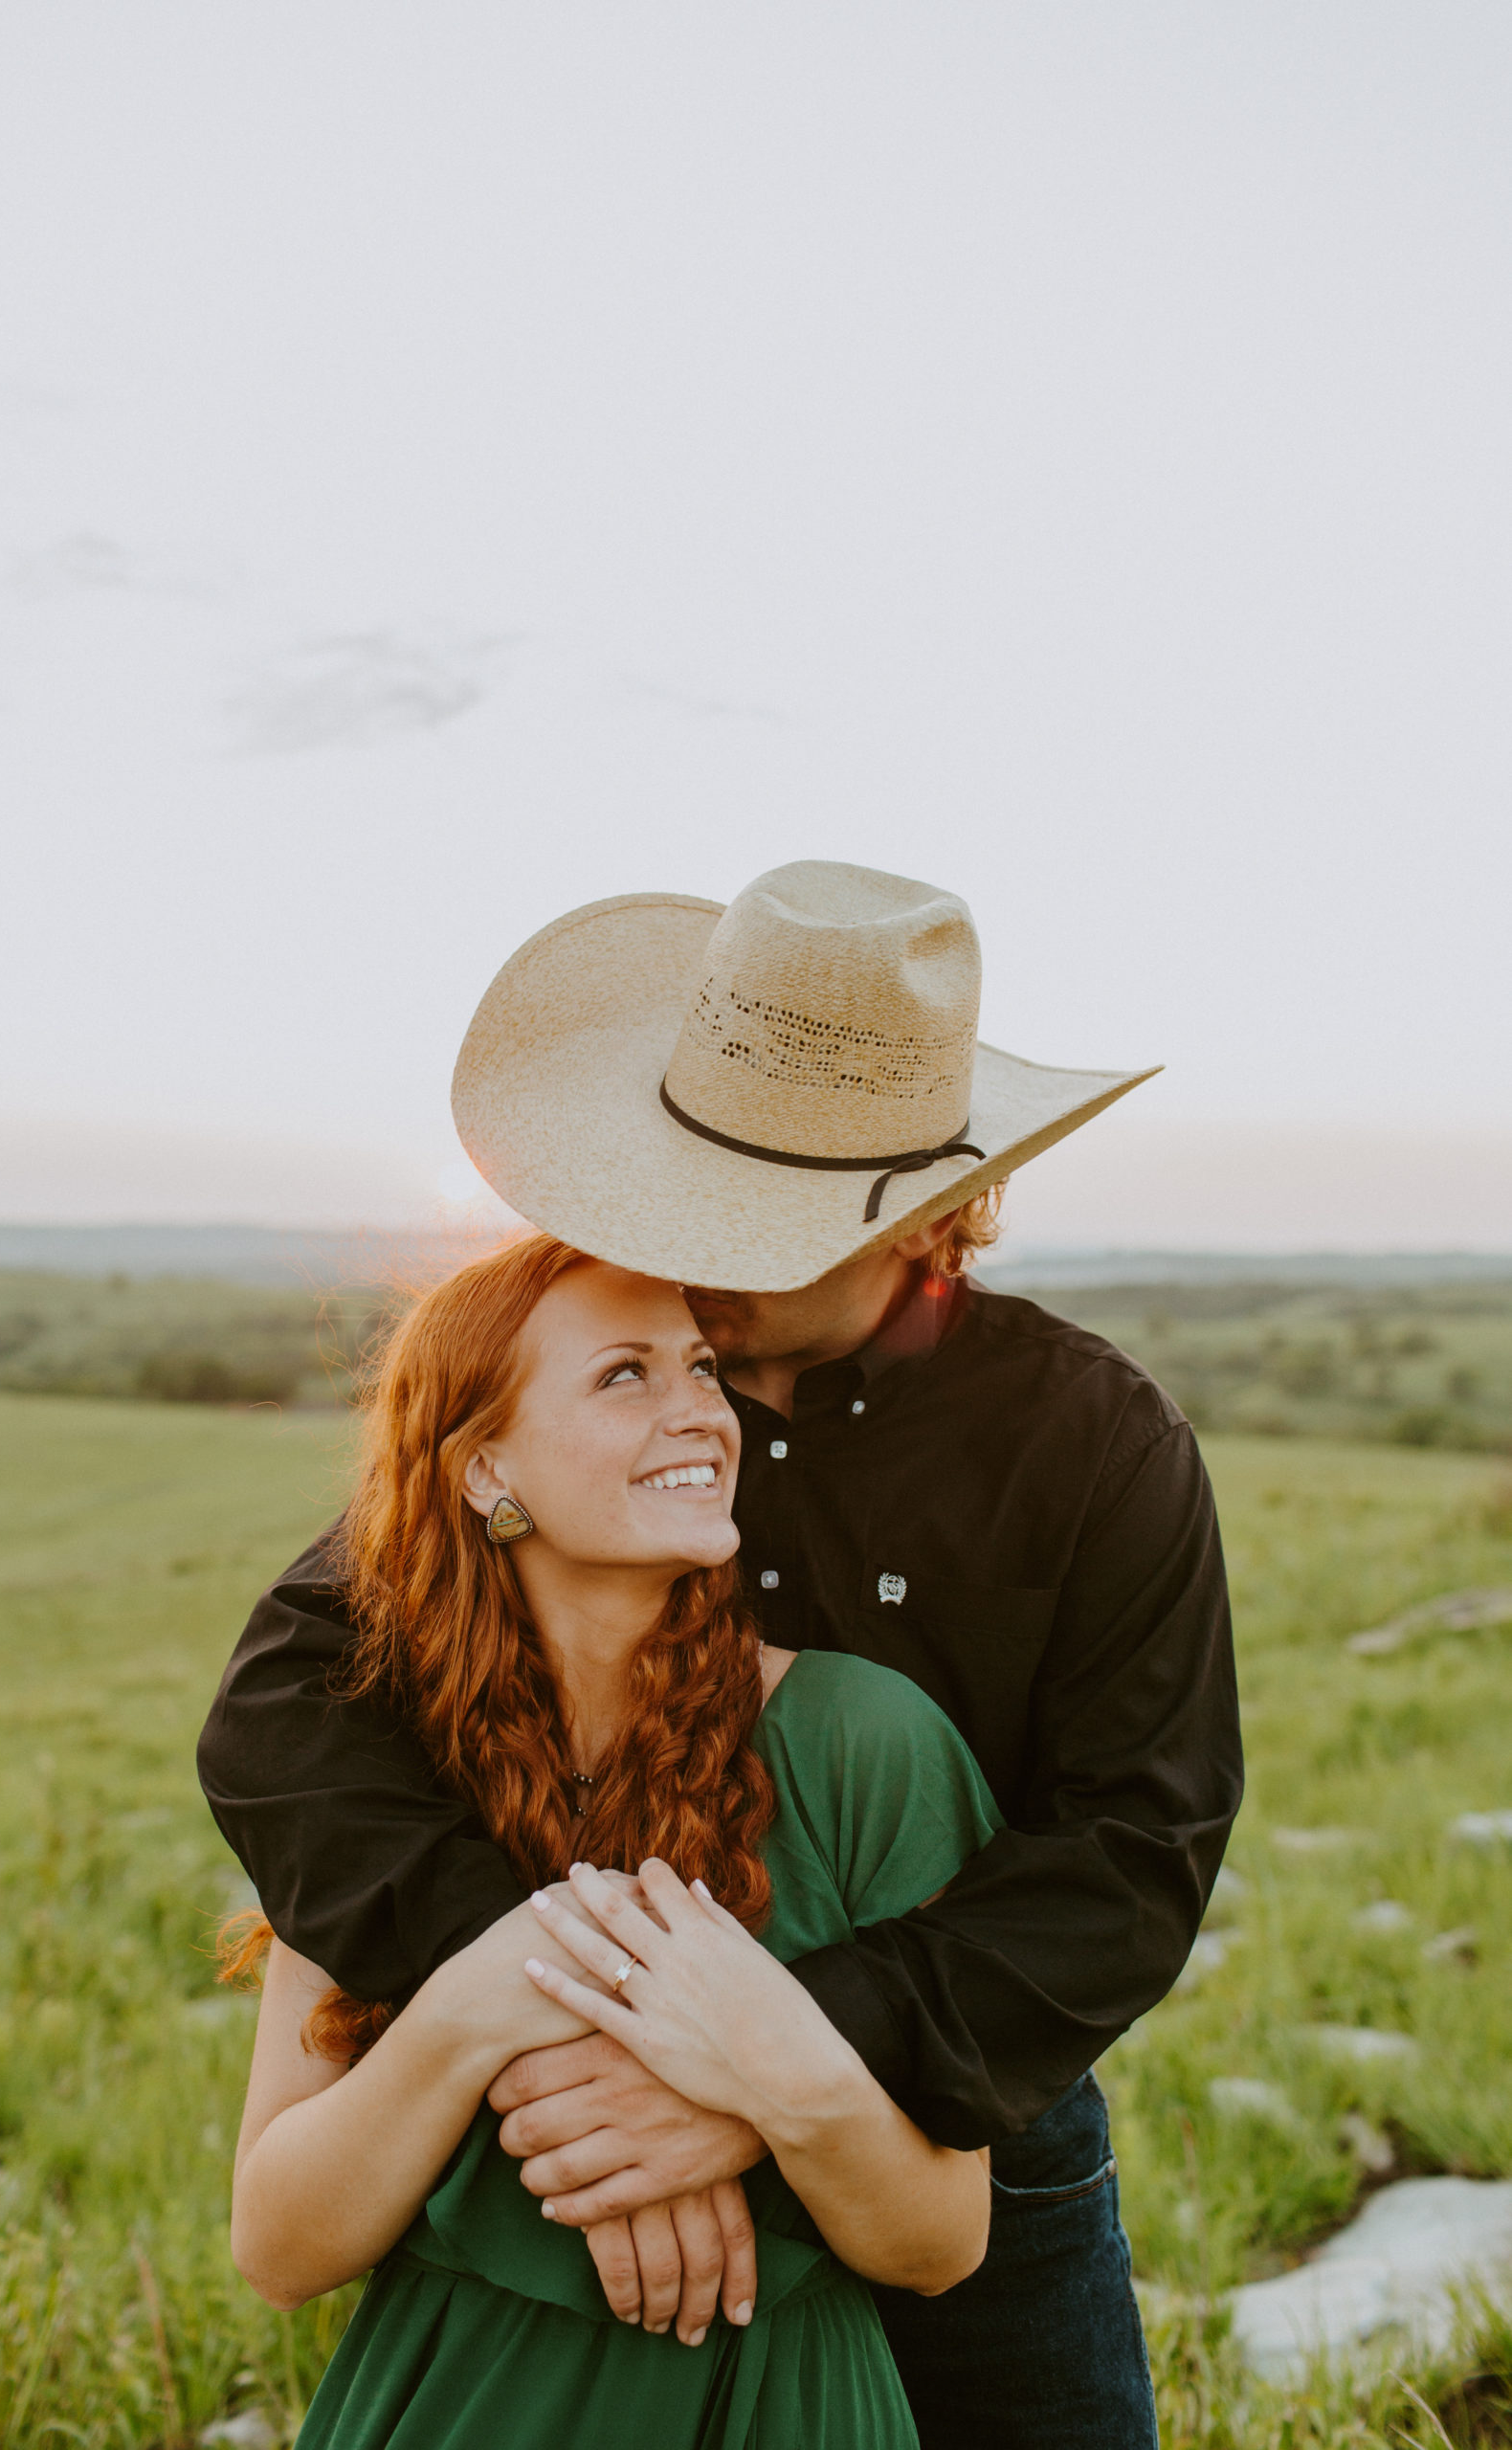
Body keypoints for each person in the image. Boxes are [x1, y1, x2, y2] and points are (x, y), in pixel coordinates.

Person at [201, 860, 1244, 2449]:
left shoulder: (1089, 1446)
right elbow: (294, 1696)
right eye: (689, 1188)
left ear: (914, 1219)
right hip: (557, 2122)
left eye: (753, 1224)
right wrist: (572, 2010)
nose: (692, 1259)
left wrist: (761, 2068)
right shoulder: (629, 1381)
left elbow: (1131, 1853)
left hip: (952, 2112)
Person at [225, 1235, 1000, 2450]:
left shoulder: (865, 1742)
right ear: (487, 1469)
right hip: (450, 2406)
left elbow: (946, 2239)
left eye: (701, 1368)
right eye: (625, 1376)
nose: (701, 1413)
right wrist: (478, 2004)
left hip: (780, 2413)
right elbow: (277, 2247)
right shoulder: (375, 1772)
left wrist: (762, 2084)